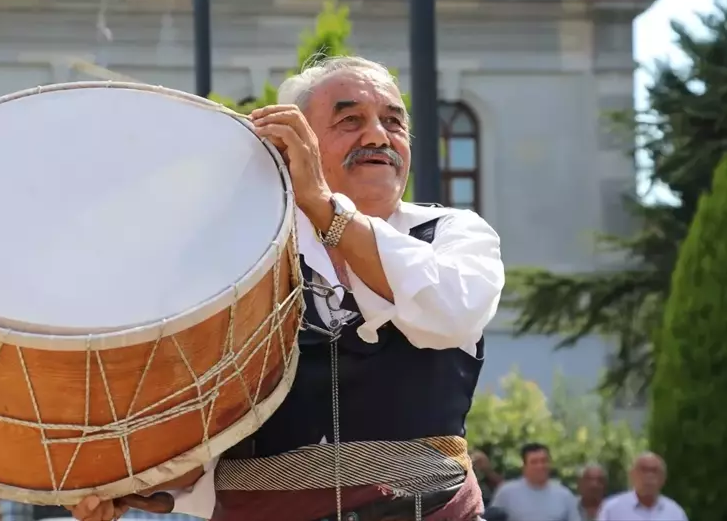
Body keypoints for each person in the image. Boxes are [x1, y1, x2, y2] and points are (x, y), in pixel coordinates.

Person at [69, 56, 504, 521]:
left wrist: (323, 206)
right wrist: (136, 484)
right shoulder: (239, 257)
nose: (378, 135)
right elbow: (196, 419)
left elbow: (450, 312)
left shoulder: (453, 233)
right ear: (293, 146)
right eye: (349, 120)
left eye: (393, 121)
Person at [488, 443, 582, 521]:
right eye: (534, 462)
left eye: (544, 461)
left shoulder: (565, 496)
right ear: (524, 467)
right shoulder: (506, 493)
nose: (540, 466)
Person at [597, 453, 687, 521]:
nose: (649, 476)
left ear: (663, 478)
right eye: (643, 470)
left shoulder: (675, 512)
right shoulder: (612, 509)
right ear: (632, 475)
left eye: (654, 471)